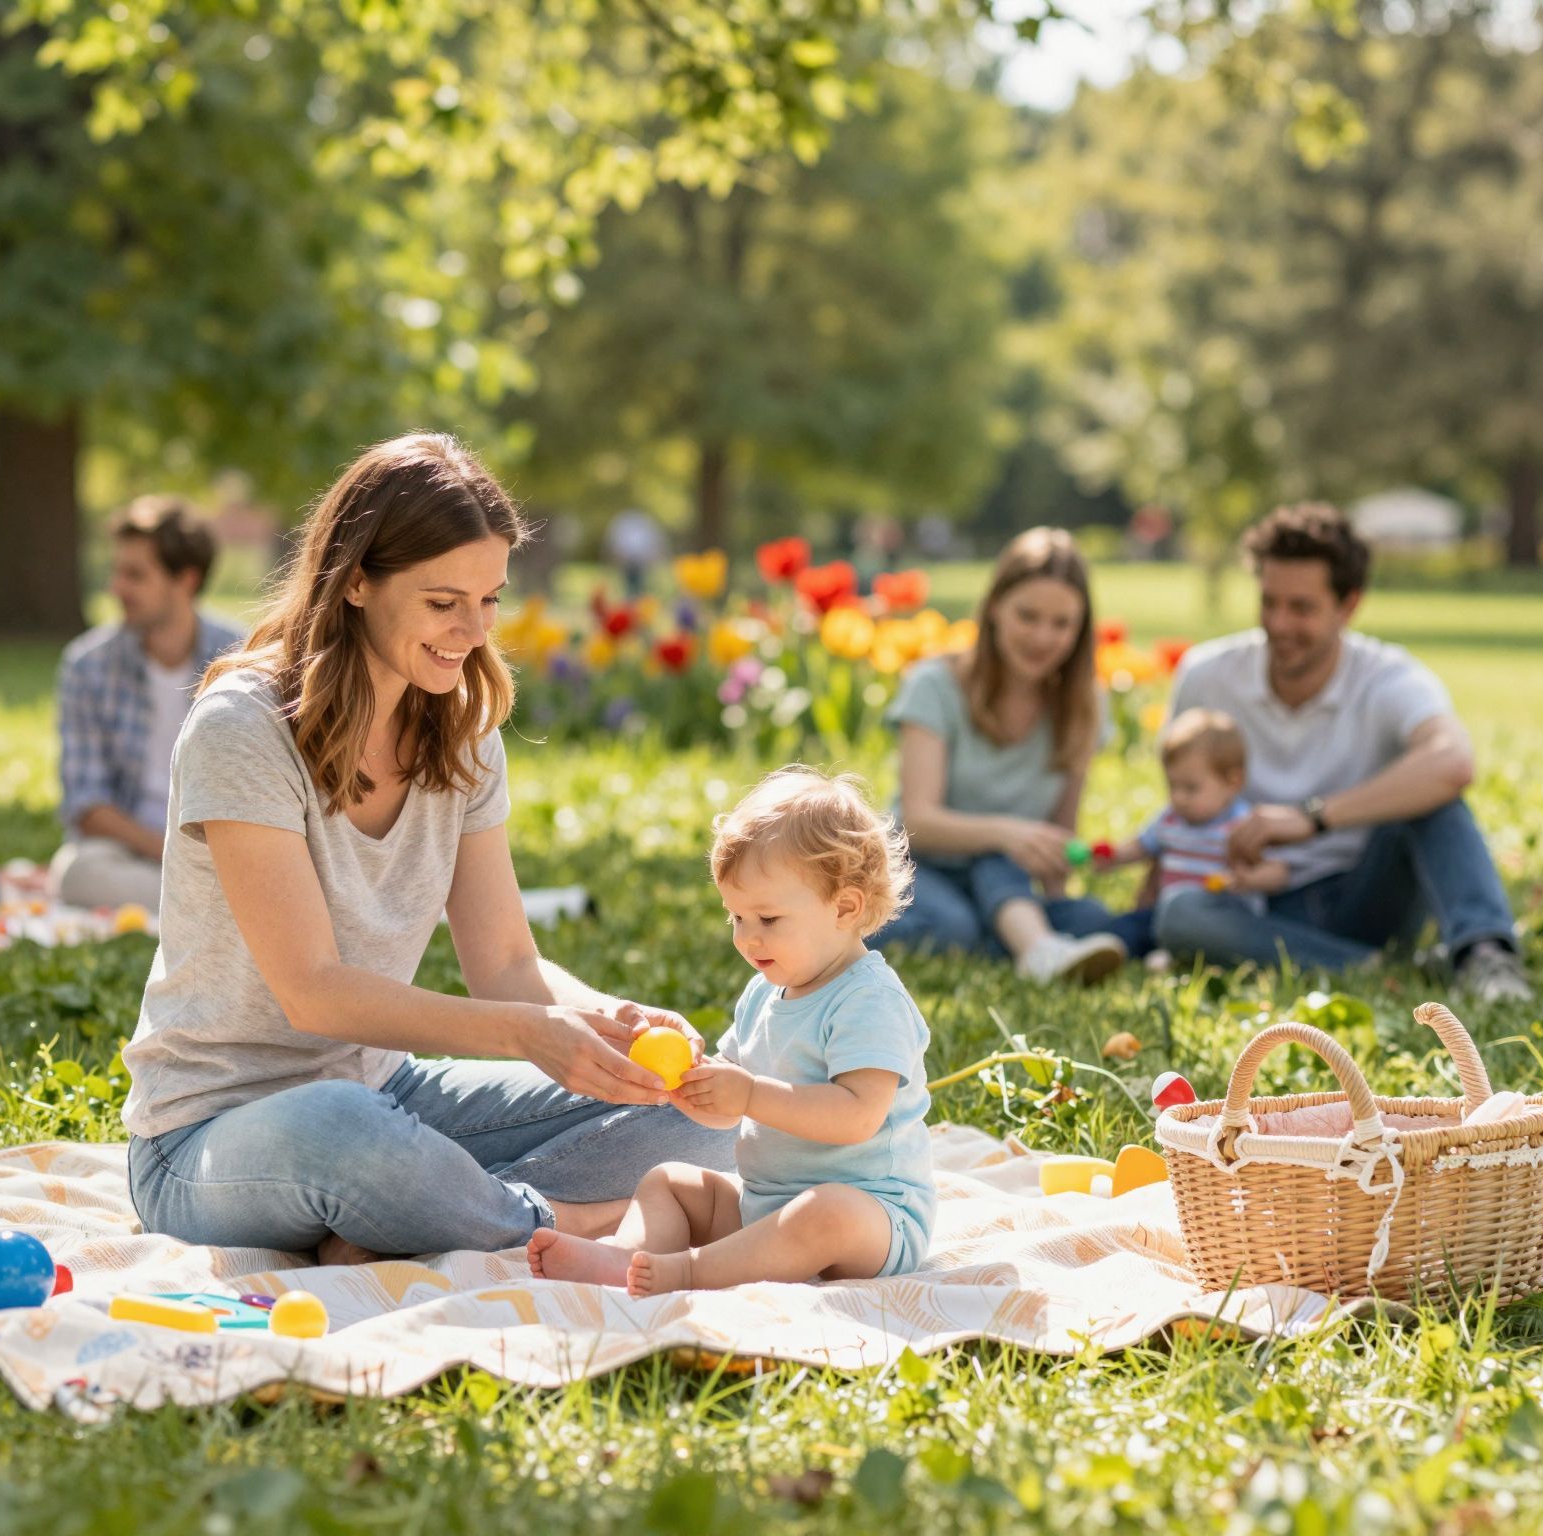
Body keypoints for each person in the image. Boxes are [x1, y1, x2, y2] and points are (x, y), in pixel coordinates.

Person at [121, 432, 732, 1263]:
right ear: (358, 581)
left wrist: (602, 1025)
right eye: (444, 603)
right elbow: (314, 994)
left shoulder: (464, 734)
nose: (473, 632)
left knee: (689, 1108)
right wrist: (525, 1034)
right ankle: (555, 1222)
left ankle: (416, 1215)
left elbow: (509, 965)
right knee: (346, 1130)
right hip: (211, 1135)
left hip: (387, 1090)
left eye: (490, 600)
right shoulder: (244, 728)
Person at [527, 767, 935, 1295]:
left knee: (824, 1212)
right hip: (765, 1205)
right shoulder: (764, 992)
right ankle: (624, 1258)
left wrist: (748, 1094)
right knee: (668, 1181)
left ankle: (692, 1271)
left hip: (871, 1217)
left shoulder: (869, 1000)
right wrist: (700, 1091)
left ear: (845, 908)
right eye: (736, 918)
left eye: (766, 918)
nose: (747, 938)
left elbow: (858, 1116)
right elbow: (734, 1101)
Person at [1155, 503, 1530, 1002]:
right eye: (1269, 602)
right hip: (1258, 905)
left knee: (1435, 797)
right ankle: (1385, 972)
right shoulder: (1206, 676)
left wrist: (1311, 818)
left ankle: (1485, 957)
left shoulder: (1389, 677)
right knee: (1179, 916)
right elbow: (1182, 798)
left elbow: (1453, 760)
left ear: (1348, 605)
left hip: (1366, 895)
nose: (1279, 623)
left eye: (1302, 608)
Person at [870, 528, 1133, 983]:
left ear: (1080, 629)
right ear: (994, 608)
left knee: (1088, 918)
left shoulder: (1085, 702)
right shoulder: (935, 685)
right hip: (921, 866)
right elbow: (917, 821)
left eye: (1061, 623)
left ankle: (1033, 943)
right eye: (1027, 616)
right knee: (954, 927)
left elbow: (1059, 831)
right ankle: (1026, 943)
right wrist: (1008, 834)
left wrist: (1056, 888)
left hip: (1004, 882)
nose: (1042, 637)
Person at [49, 496, 241, 911]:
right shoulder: (87, 665)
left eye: (134, 575)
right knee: (77, 873)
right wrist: (168, 852)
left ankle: (203, 905)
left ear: (185, 581)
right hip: (130, 849)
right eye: (116, 572)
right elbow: (86, 803)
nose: (116, 588)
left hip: (224, 849)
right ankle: (219, 909)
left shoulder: (243, 659)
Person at [1098, 708, 1289, 915]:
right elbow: (1140, 846)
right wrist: (1112, 856)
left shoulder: (1243, 825)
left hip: (1219, 917)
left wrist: (1249, 879)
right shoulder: (1170, 819)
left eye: (1191, 788)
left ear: (1232, 783)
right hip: (1165, 914)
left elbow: (1279, 873)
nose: (1178, 797)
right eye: (1172, 785)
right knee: (1128, 925)